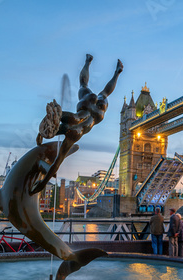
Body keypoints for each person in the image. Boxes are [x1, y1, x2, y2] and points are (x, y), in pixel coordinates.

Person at [31, 54, 123, 194]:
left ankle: (89, 61)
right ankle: (95, 64)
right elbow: (57, 162)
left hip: (82, 113)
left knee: (84, 89)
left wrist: (43, 183)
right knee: (96, 95)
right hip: (85, 119)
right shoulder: (73, 133)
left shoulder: (69, 131)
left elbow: (57, 163)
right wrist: (43, 183)